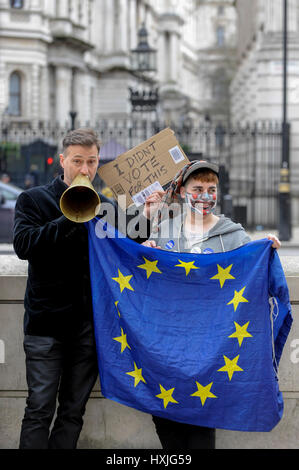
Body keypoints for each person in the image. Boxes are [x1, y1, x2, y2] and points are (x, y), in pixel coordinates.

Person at [142, 160, 281, 449]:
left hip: (211, 353)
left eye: (211, 189)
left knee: (201, 435)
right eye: (198, 189)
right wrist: (145, 247)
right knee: (168, 432)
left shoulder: (233, 234)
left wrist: (265, 248)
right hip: (168, 349)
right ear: (181, 191)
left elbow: (251, 270)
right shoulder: (163, 231)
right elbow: (146, 282)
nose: (205, 196)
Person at [13, 128, 126, 449]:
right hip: (45, 326)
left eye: (91, 162)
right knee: (38, 409)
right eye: (78, 161)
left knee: (73, 412)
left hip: (87, 329)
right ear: (63, 161)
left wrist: (150, 213)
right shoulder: (33, 199)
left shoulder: (104, 205)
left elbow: (134, 240)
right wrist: (73, 213)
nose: (85, 170)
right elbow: (24, 245)